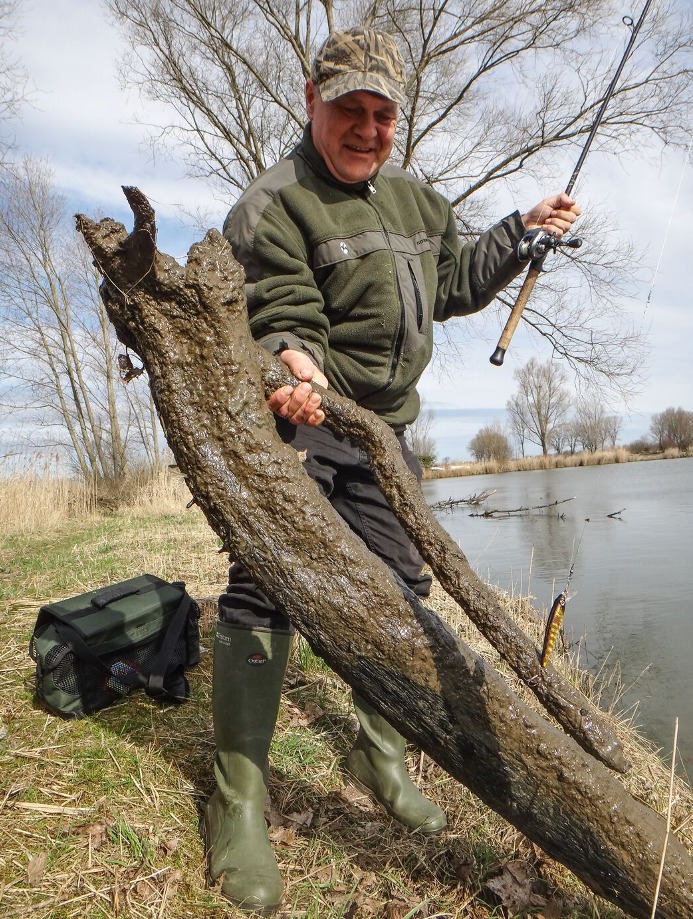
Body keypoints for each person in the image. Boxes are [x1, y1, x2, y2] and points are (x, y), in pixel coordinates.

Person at [203, 26, 581, 913]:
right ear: (310, 101)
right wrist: (293, 367)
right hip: (301, 415)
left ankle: (382, 753)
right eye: (349, 111)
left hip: (385, 427)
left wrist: (519, 231)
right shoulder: (271, 205)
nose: (366, 129)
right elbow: (282, 313)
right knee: (263, 584)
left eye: (381, 114)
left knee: (403, 585)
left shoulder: (414, 197)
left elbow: (452, 282)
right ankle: (237, 800)